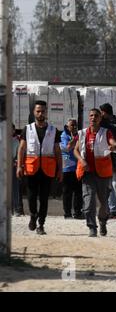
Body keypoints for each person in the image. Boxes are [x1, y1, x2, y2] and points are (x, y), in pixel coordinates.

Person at [16, 101, 63, 235]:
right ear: (34, 112)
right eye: (38, 111)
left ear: (46, 112)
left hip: (47, 169)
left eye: (43, 111)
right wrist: (19, 166)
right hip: (31, 168)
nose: (40, 113)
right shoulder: (28, 129)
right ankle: (33, 215)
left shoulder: (53, 130)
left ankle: (41, 224)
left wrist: (60, 170)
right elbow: (22, 148)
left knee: (44, 198)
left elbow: (57, 151)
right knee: (31, 196)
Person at [74, 108, 116, 237]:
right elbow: (75, 150)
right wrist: (81, 160)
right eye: (91, 115)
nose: (93, 118)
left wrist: (114, 146)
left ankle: (103, 222)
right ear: (89, 118)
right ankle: (92, 227)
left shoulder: (106, 133)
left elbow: (113, 143)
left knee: (104, 203)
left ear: (100, 118)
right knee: (88, 202)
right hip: (87, 173)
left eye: (96, 116)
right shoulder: (82, 134)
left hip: (103, 173)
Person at [60, 118, 83, 219]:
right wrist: (74, 138)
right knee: (67, 192)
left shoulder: (80, 135)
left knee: (78, 192)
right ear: (67, 126)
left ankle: (77, 213)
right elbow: (68, 147)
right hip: (67, 168)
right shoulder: (64, 136)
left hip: (77, 167)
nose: (74, 127)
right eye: (72, 125)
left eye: (75, 125)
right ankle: (67, 213)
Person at [12, 123, 24, 216]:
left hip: (13, 166)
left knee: (15, 188)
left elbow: (20, 152)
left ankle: (16, 209)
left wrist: (17, 161)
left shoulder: (18, 139)